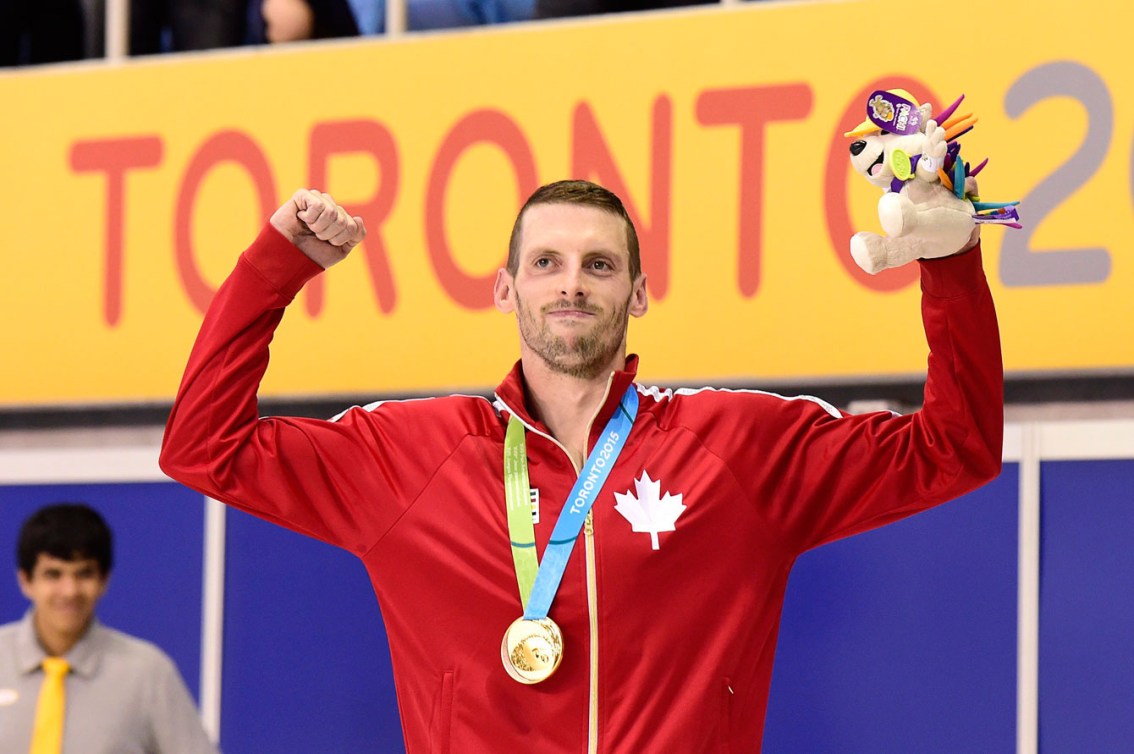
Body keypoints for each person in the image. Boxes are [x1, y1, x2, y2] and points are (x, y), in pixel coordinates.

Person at [159, 179, 1003, 752]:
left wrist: (950, 264)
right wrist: (278, 266)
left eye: (600, 265)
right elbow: (203, 446)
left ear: (637, 293)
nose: (572, 286)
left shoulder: (739, 447)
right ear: (505, 290)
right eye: (547, 264)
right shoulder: (409, 457)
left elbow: (954, 449)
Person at [0, 504, 218, 754]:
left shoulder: (146, 672)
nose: (70, 591)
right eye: (53, 574)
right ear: (26, 581)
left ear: (104, 580)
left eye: (84, 574)